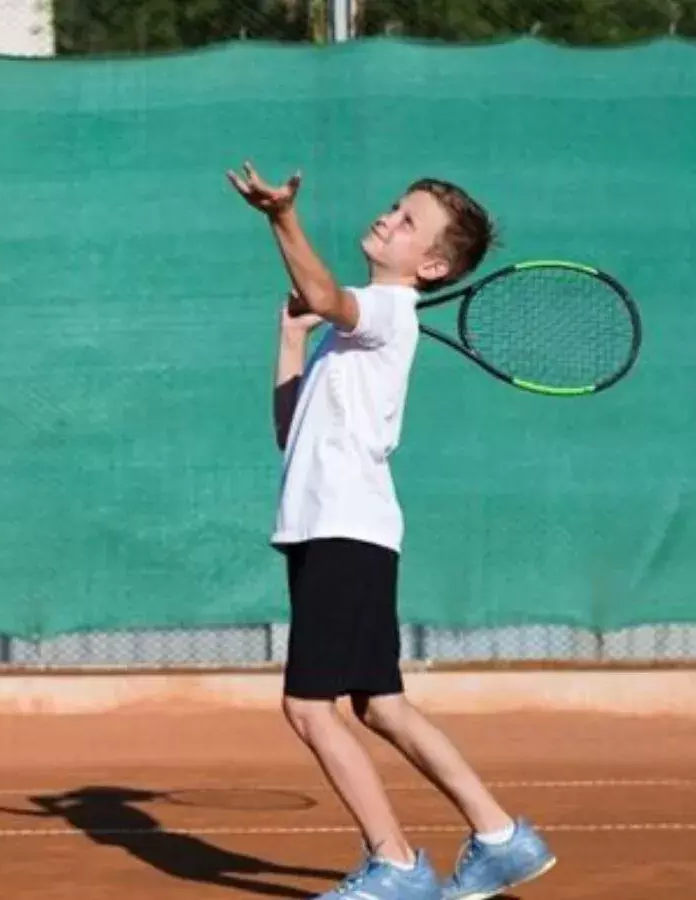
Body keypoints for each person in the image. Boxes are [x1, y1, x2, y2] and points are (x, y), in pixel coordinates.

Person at [226, 161, 557, 900]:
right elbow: (291, 433)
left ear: (431, 267)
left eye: (409, 222)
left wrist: (281, 218)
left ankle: (396, 864)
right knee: (380, 704)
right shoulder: (359, 330)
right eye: (394, 207)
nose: (388, 218)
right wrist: (290, 340)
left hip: (343, 532)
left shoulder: (384, 311)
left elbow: (325, 294)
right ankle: (501, 837)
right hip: (341, 530)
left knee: (308, 707)